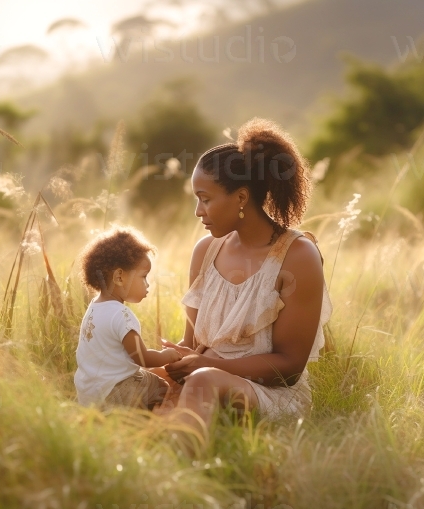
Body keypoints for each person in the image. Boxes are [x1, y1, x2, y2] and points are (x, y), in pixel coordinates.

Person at [158, 117, 332, 436]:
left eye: (206, 199)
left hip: (270, 395)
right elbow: (193, 343)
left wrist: (210, 367)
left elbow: (289, 369)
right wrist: (178, 356)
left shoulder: (298, 257)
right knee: (138, 373)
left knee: (202, 381)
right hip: (206, 375)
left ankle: (175, 475)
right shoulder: (205, 251)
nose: (198, 211)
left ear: (240, 198)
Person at [75, 226, 182, 409]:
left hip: (89, 394)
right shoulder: (121, 314)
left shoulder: (94, 307)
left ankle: (123, 419)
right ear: (119, 277)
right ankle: (156, 424)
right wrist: (166, 355)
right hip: (116, 390)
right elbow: (142, 358)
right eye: (144, 277)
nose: (148, 285)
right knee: (162, 388)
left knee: (142, 379)